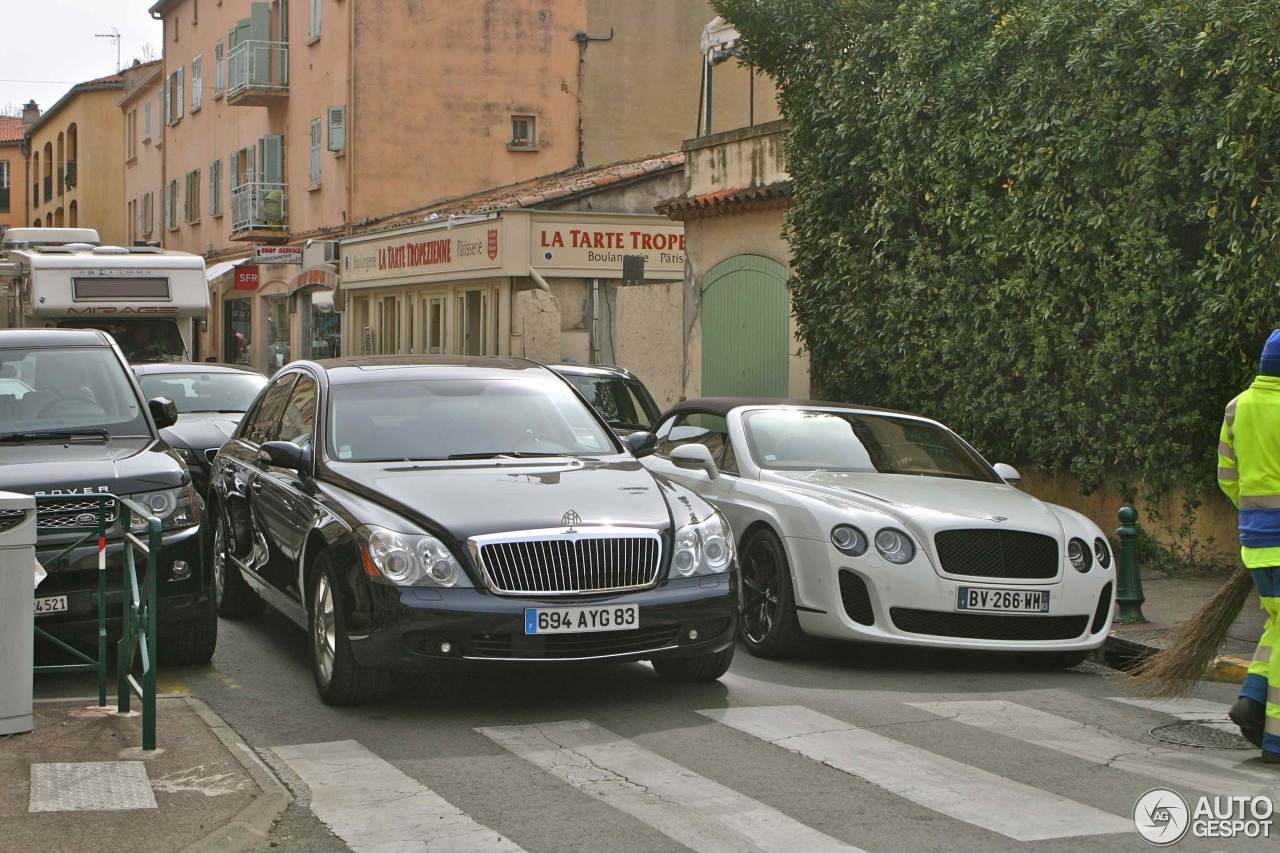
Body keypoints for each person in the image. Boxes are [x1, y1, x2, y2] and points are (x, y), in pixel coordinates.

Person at [1218, 329, 1280, 764]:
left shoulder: (1237, 407)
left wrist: (1255, 516)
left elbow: (1226, 476)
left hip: (1255, 542)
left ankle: (1252, 698)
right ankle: (1276, 739)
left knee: (1277, 625)